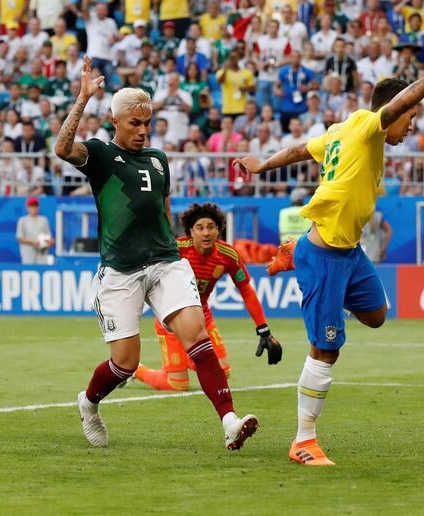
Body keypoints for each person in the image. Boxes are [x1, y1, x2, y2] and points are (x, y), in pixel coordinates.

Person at [236, 42, 424, 465]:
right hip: (326, 256)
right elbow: (403, 100)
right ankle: (303, 441)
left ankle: (298, 254)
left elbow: (297, 150)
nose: (411, 126)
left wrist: (262, 164)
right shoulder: (366, 125)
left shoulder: (340, 131)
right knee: (326, 349)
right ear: (393, 111)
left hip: (349, 252)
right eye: (411, 118)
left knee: (377, 315)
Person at [54, 56, 258, 451]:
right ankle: (89, 402)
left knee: (198, 337)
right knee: (125, 364)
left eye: (147, 123)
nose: (144, 130)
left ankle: (230, 421)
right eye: (135, 123)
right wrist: (82, 99)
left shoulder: (158, 160)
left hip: (165, 263)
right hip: (121, 271)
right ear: (115, 122)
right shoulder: (99, 155)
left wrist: (179, 251)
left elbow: (165, 213)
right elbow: (62, 148)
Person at [135, 203, 282, 391]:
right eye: (200, 228)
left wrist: (264, 330)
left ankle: (189, 354)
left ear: (218, 229)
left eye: (210, 227)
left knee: (222, 373)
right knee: (178, 385)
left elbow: (246, 289)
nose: (206, 233)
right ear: (191, 231)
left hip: (201, 318)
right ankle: (136, 371)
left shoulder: (227, 254)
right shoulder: (176, 249)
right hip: (171, 320)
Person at [16, 196, 53, 265]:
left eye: (35, 206)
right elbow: (19, 237)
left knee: (42, 269)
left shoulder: (44, 220)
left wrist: (47, 242)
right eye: (32, 206)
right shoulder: (23, 220)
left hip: (42, 251)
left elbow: (48, 236)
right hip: (28, 251)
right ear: (27, 208)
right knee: (28, 270)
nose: (34, 208)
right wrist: (32, 242)